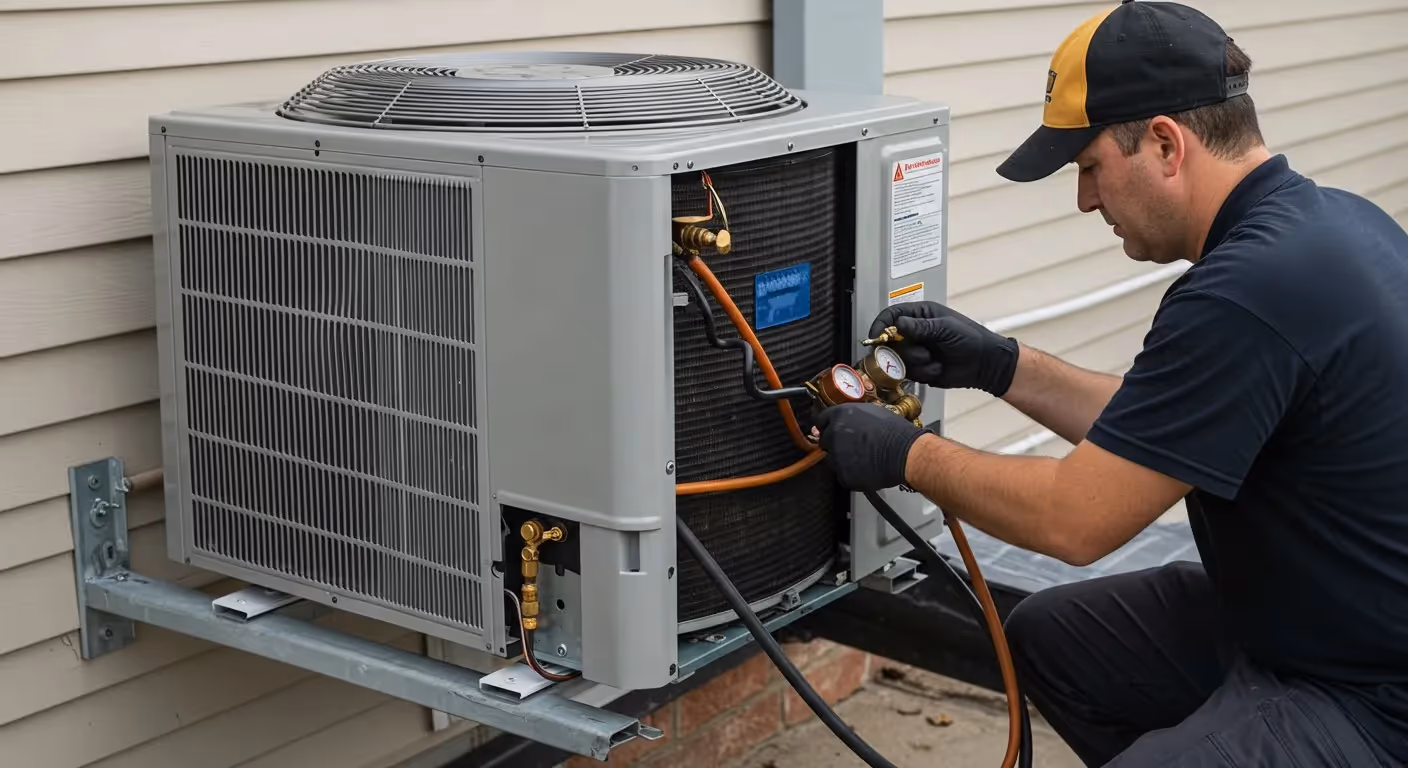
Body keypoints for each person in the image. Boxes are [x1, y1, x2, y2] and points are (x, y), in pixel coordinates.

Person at [812, 1, 1408, 765]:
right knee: (1055, 640)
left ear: (1165, 143)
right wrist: (1001, 365)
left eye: (1090, 167)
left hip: (1373, 694)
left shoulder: (1246, 291)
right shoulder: (1331, 226)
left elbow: (1076, 522)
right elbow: (1159, 430)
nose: (1086, 199)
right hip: (1311, 623)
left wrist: (907, 456)